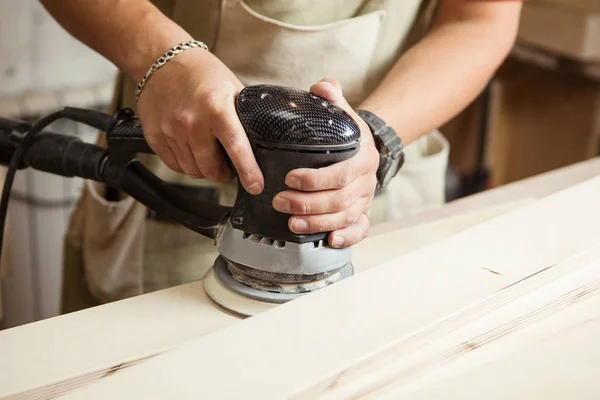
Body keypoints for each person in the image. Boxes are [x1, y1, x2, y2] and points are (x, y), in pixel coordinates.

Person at [40, 0, 523, 313]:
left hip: (377, 203)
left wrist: (375, 138)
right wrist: (164, 56)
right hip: (166, 202)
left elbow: (479, 18)